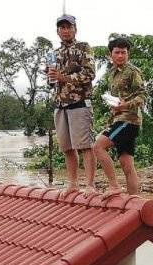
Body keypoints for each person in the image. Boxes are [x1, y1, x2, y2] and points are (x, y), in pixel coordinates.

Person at [47, 14, 97, 198]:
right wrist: (51, 77)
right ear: (58, 31)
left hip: (79, 102)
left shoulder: (84, 47)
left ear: (75, 29)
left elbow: (89, 74)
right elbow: (51, 82)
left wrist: (64, 77)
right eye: (62, 28)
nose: (66, 30)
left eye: (69, 27)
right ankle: (73, 184)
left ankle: (90, 185)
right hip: (60, 104)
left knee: (85, 145)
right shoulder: (53, 53)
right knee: (67, 148)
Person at [93, 37, 147, 197]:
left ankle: (114, 186)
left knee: (98, 146)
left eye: (124, 52)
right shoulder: (112, 74)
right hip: (119, 119)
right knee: (127, 164)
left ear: (128, 54)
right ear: (111, 55)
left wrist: (123, 106)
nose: (121, 56)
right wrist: (115, 109)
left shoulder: (133, 71)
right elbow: (117, 101)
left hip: (128, 121)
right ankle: (134, 201)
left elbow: (142, 96)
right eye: (117, 52)